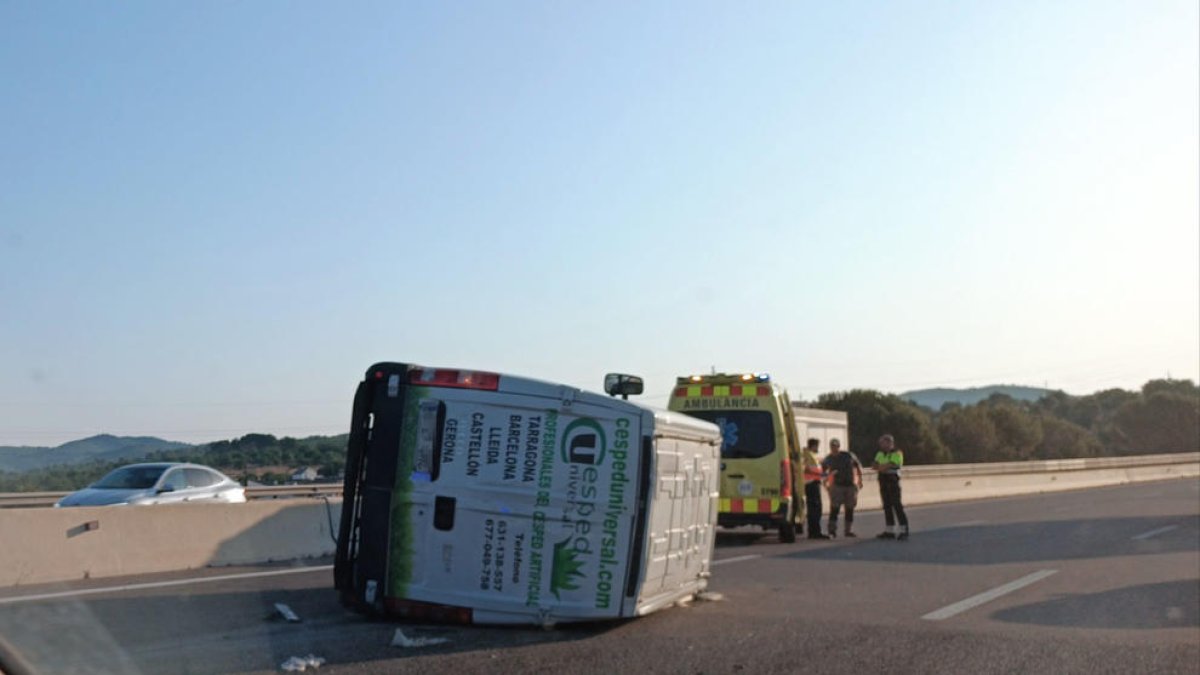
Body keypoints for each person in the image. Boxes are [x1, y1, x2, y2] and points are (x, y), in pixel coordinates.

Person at [820, 438, 862, 537]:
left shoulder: (848, 455)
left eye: (836, 446)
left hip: (850, 485)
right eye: (832, 446)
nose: (834, 448)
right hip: (837, 486)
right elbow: (823, 473)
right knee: (835, 509)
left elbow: (858, 466)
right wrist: (826, 483)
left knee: (850, 508)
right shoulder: (828, 459)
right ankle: (832, 530)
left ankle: (848, 530)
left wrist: (860, 480)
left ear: (839, 446)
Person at [873, 434, 909, 540]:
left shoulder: (897, 453)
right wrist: (883, 466)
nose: (881, 445)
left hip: (893, 481)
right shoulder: (880, 453)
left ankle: (903, 530)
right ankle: (890, 531)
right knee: (887, 506)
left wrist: (883, 466)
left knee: (897, 506)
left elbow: (895, 464)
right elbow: (875, 465)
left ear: (889, 443)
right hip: (883, 481)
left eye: (883, 442)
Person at [801, 438, 828, 539]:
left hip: (813, 483)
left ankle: (814, 531)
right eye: (817, 446)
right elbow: (806, 469)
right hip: (811, 484)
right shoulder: (807, 455)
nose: (818, 448)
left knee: (815, 509)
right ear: (813, 446)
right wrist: (820, 473)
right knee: (815, 509)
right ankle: (814, 532)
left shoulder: (810, 455)